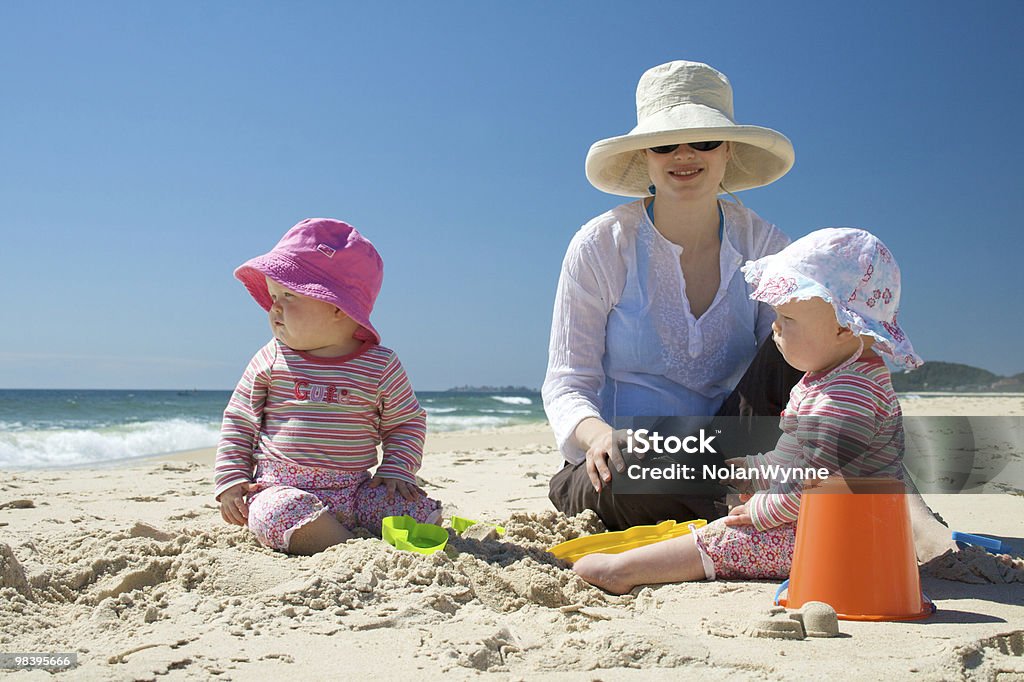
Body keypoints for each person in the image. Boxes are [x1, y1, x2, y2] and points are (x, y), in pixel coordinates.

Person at [573, 228, 921, 593]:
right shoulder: (835, 378)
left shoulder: (847, 395)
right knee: (732, 523)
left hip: (849, 539)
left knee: (727, 539)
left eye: (788, 318)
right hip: (844, 525)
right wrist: (755, 470)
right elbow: (795, 458)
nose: (775, 327)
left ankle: (625, 571)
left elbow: (817, 482)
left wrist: (763, 511)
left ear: (842, 328)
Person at [543, 60, 800, 530]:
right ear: (646, 157)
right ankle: (772, 505)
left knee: (816, 335)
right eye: (665, 144)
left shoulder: (765, 245)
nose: (684, 154)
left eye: (703, 141)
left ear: (727, 153)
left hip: (730, 445)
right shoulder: (602, 245)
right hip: (627, 459)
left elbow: (791, 368)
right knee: (639, 475)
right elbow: (566, 383)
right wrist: (598, 435)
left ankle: (884, 507)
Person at [214, 218, 441, 555]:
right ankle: (347, 547)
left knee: (420, 510)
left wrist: (396, 468)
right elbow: (239, 421)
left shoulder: (379, 365)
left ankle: (342, 535)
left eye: (288, 296)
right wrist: (232, 481)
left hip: (356, 491)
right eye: (273, 295)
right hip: (282, 487)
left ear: (338, 306)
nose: (274, 308)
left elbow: (404, 422)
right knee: (274, 515)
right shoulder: (271, 358)